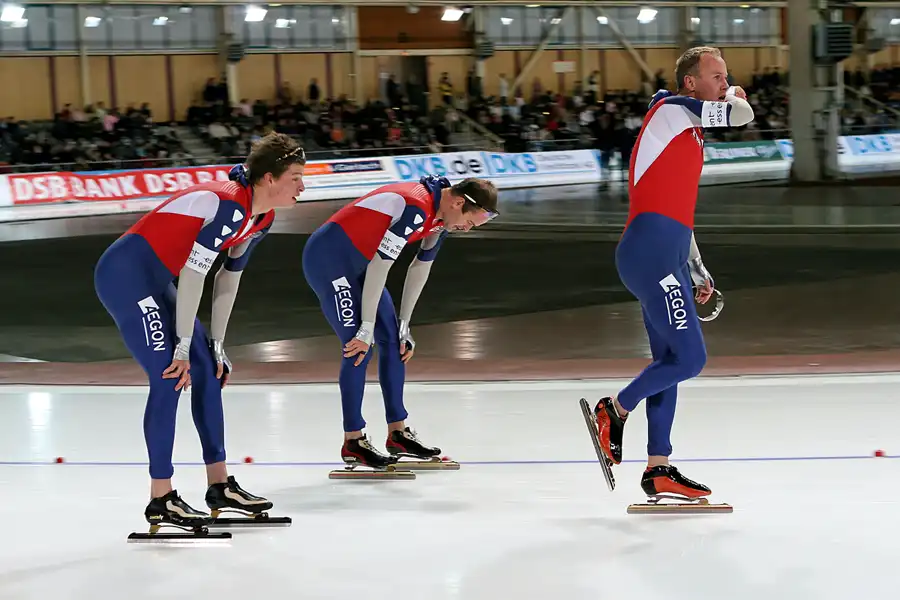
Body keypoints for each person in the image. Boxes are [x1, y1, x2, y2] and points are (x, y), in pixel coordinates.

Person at [94, 132, 306, 531]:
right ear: (268, 179)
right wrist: (182, 347)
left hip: (158, 280)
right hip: (126, 277)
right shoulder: (228, 205)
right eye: (295, 176)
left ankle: (219, 485)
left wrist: (217, 343)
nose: (303, 186)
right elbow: (194, 276)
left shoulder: (261, 218)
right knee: (169, 375)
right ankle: (162, 498)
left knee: (208, 368)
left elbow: (229, 279)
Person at [589, 46, 754, 499]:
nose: (725, 82)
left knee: (671, 364)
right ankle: (615, 408)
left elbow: (680, 209)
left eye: (727, 76)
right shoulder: (671, 111)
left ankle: (658, 467)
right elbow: (742, 114)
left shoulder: (689, 131)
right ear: (691, 83)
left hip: (667, 253)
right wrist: (735, 95)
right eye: (717, 76)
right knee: (691, 359)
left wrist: (696, 266)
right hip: (652, 253)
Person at [302, 176, 499, 469]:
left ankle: (398, 433)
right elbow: (382, 266)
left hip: (361, 263)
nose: (465, 230)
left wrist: (405, 323)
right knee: (359, 346)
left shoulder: (442, 217)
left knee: (395, 342)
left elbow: (421, 267)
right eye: (469, 224)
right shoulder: (416, 207)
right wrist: (366, 326)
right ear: (459, 203)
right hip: (329, 261)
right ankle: (353, 440)